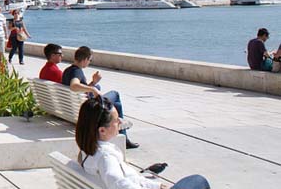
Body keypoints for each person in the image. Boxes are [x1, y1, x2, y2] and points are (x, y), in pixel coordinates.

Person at [76, 97, 210, 189]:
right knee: (198, 181)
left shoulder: (87, 151)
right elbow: (118, 183)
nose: (120, 122)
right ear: (102, 130)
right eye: (116, 121)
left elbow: (126, 178)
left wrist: (156, 186)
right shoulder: (106, 157)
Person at [63, 46, 139, 149]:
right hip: (88, 108)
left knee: (116, 104)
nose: (89, 62)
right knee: (115, 94)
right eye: (90, 60)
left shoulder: (67, 70)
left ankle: (123, 136)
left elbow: (79, 90)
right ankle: (123, 135)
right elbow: (74, 86)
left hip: (73, 107)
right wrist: (94, 89)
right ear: (85, 59)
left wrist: (94, 82)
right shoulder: (77, 71)